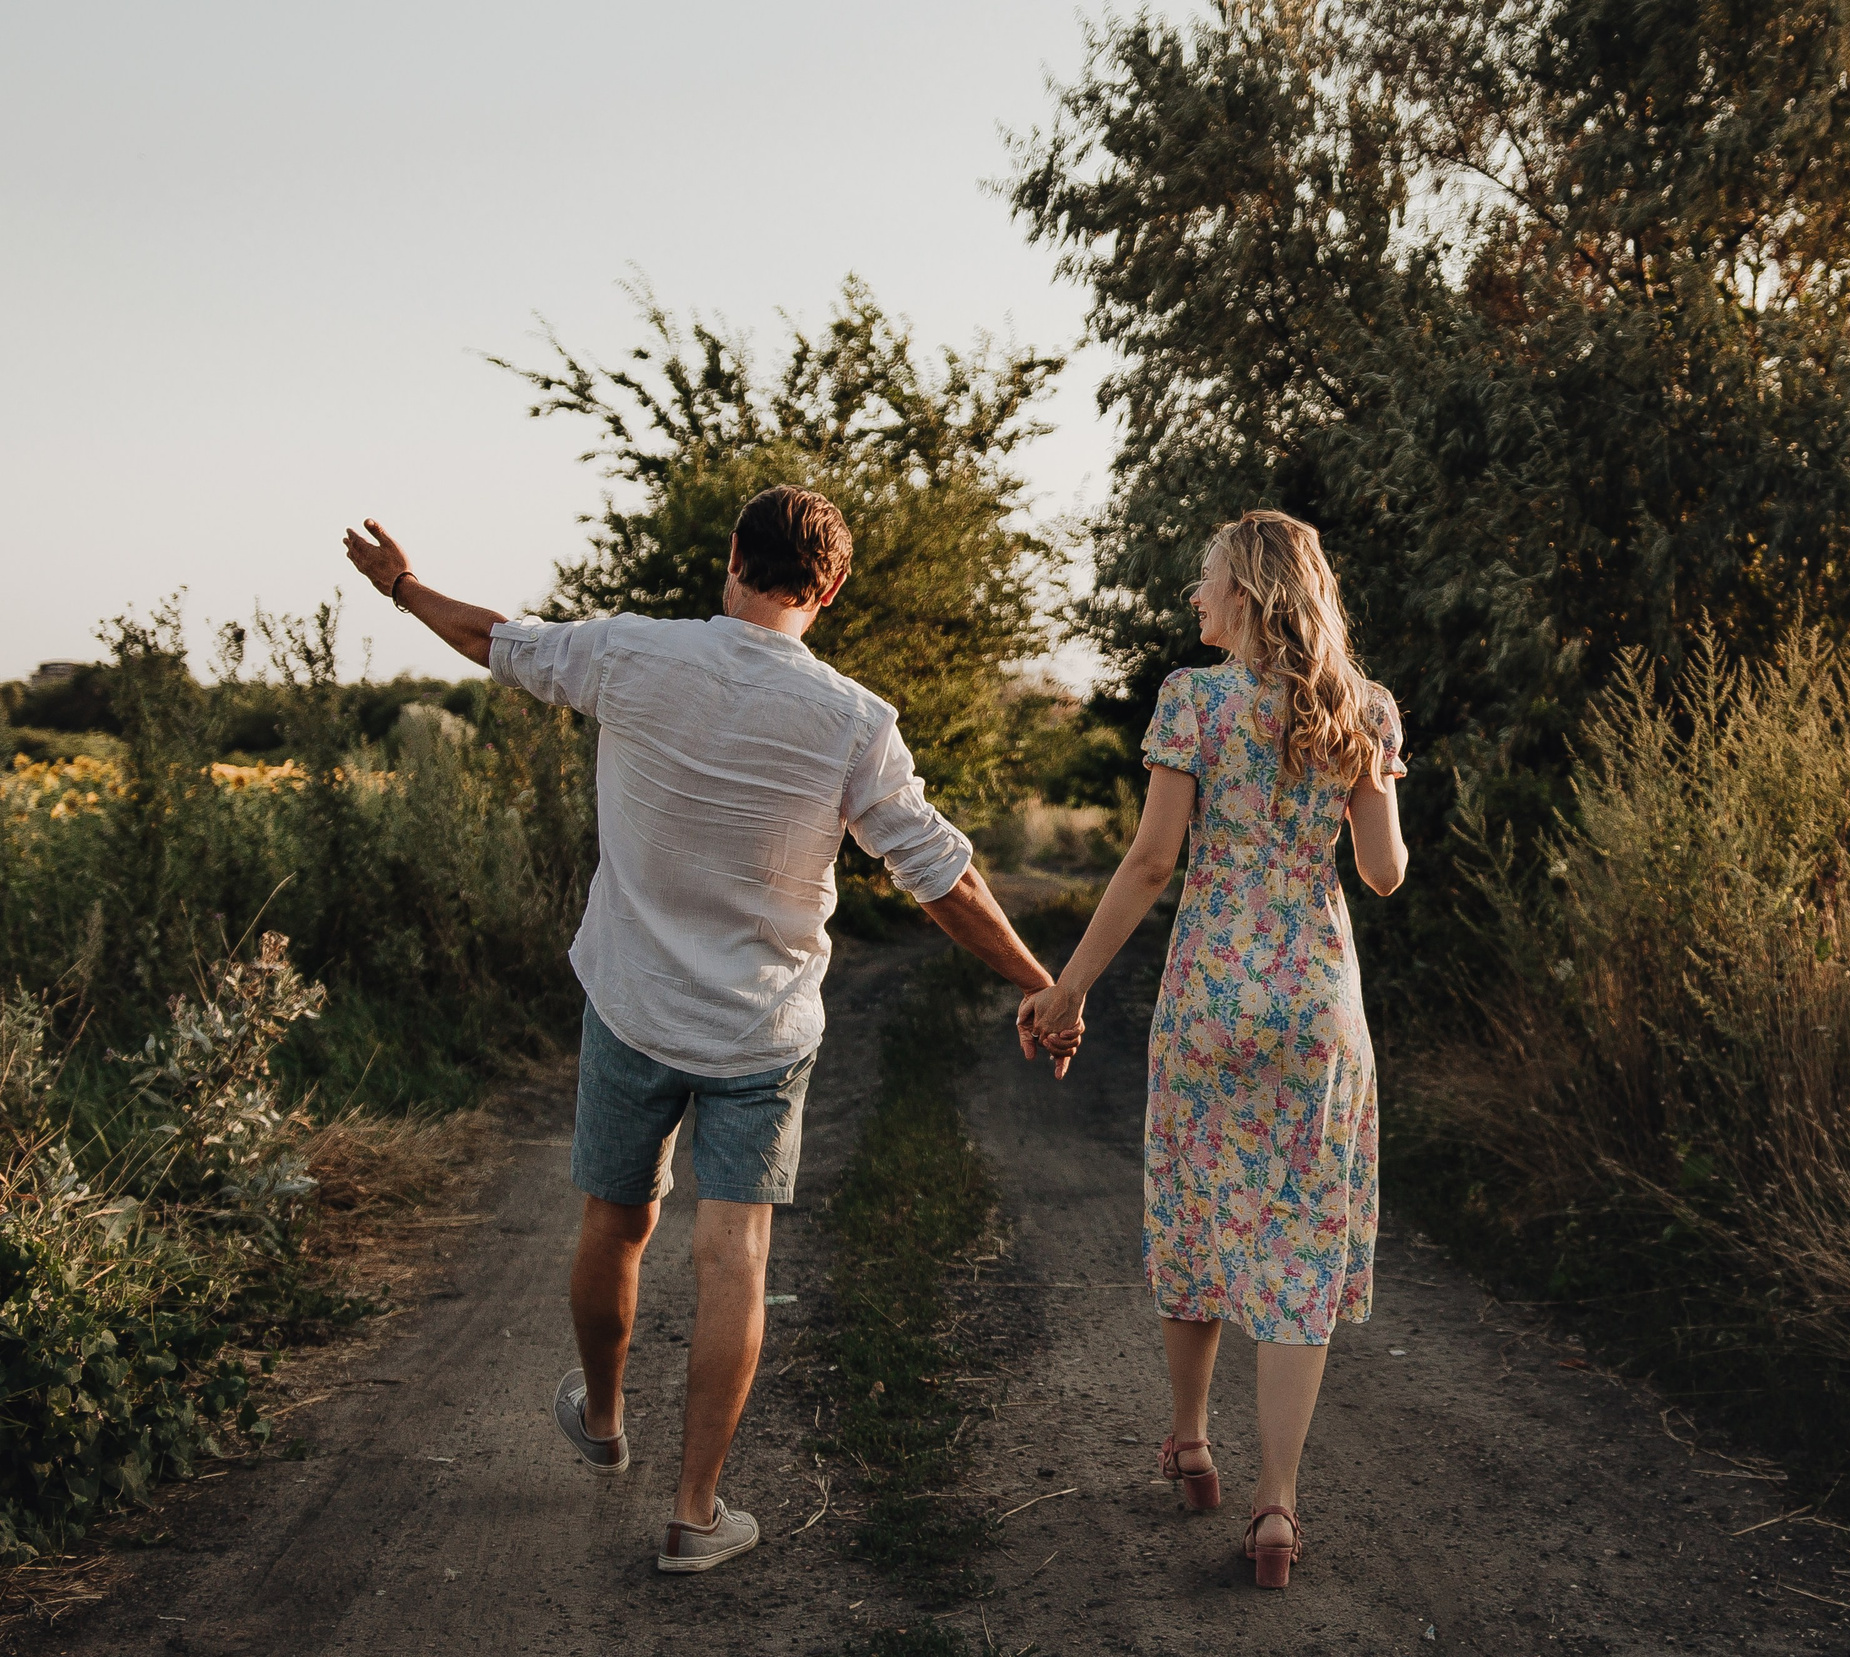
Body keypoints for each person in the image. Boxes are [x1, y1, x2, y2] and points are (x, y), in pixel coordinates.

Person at [341, 487, 1077, 1575]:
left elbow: (489, 639)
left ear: (731, 556)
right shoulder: (854, 722)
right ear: (825, 590)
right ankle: (694, 1512)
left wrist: (399, 586)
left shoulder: (632, 656)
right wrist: (1038, 981)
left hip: (631, 1004)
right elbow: (942, 880)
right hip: (762, 1030)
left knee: (617, 1217)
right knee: (734, 1250)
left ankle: (600, 1418)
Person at [1023, 510, 1406, 1589]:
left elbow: (1151, 864)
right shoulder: (1361, 710)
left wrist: (1068, 990)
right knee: (1295, 1247)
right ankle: (1276, 1510)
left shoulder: (1192, 700)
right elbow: (1381, 875)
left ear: (1242, 593)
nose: (1193, 601)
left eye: (1204, 584)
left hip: (1208, 996)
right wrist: (1377, 778)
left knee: (1197, 1208)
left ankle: (1191, 1443)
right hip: (1317, 1004)